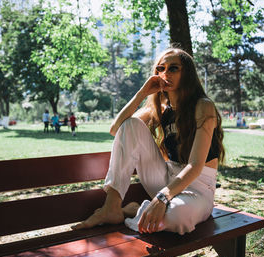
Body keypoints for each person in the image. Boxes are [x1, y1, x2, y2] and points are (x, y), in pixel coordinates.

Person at [72, 47, 225, 235]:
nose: (165, 73)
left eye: (173, 68)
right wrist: (142, 93)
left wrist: (162, 197)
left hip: (198, 187)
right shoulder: (159, 108)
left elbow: (195, 165)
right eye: (161, 68)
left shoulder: (203, 106)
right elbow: (116, 129)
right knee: (131, 125)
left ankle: (135, 210)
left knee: (177, 217)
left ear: (187, 73)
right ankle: (112, 207)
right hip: (166, 176)